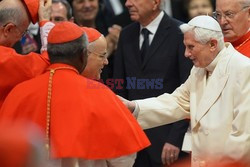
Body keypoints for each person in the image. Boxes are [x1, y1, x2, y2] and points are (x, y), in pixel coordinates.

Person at [0, 21, 150, 167]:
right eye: (101, 56)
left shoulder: (19, 92)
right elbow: (123, 158)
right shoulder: (100, 94)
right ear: (83, 55)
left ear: (49, 52)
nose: (106, 62)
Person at [120, 15, 250, 167]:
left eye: (191, 47)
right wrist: (134, 107)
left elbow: (243, 136)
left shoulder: (243, 69)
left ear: (213, 44)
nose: (186, 54)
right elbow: (178, 101)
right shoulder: (198, 70)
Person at [113, 0, 193, 167]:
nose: (127, 4)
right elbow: (119, 86)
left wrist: (175, 139)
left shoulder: (181, 33)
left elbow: (189, 90)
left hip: (168, 141)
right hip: (135, 140)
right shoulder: (126, 34)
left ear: (156, 2)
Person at [0, 0, 53, 109]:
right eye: (23, 33)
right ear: (8, 29)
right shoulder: (5, 59)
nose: (21, 39)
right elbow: (50, 63)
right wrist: (45, 22)